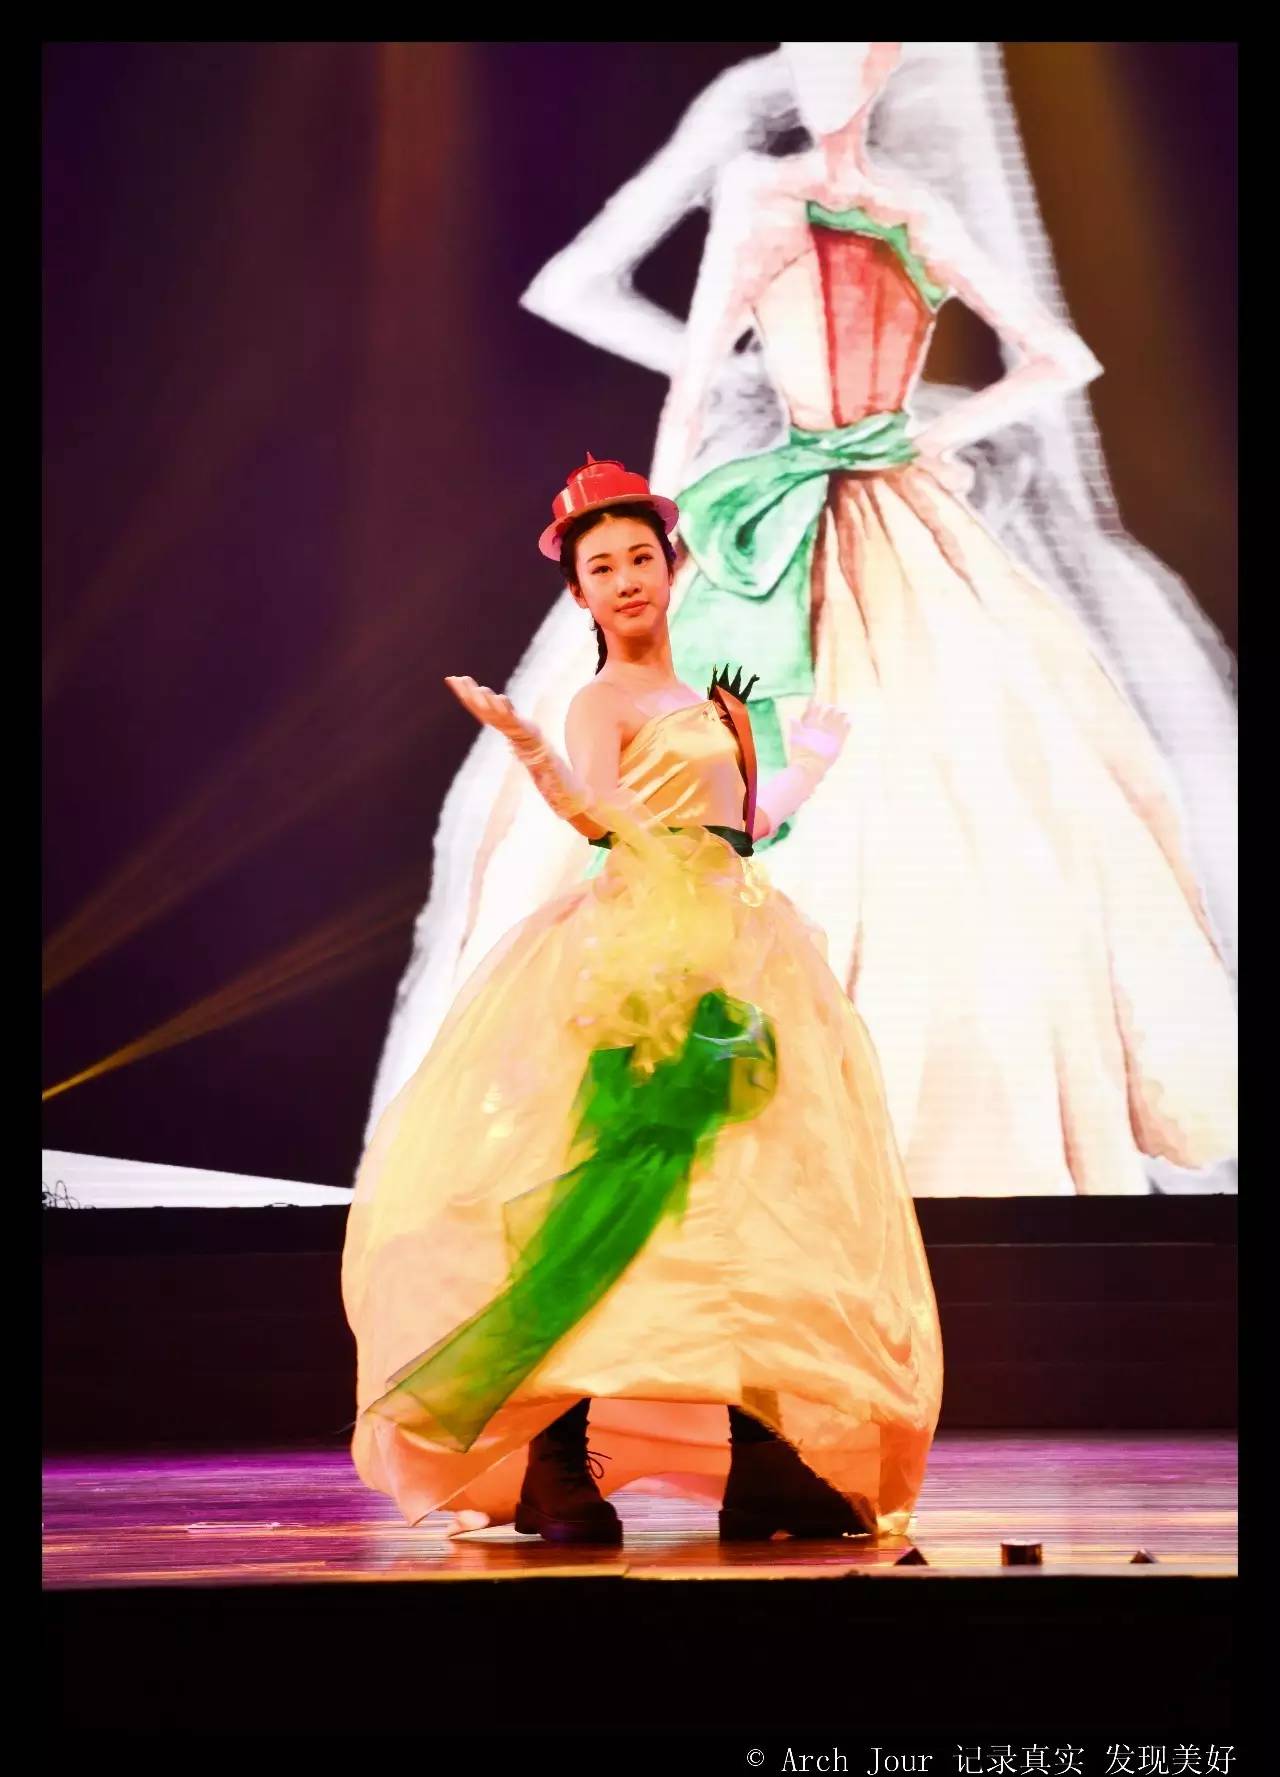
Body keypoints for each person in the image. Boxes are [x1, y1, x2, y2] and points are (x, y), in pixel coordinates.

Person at [365, 42, 1236, 1198]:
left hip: (878, 511)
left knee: (956, 783)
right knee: (718, 760)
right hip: (790, 514)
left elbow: (1056, 358)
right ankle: (708, 1100)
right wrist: (664, 533)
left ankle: (924, 1132)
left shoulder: (887, 206)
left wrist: (922, 435)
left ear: (877, 75)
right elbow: (683, 386)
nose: (831, 74)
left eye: (853, 58)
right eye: (819, 56)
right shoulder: (783, 197)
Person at [341, 455, 942, 1543]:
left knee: (740, 1197)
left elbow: (743, 827)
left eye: (637, 558)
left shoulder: (709, 699)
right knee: (619, 1191)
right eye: (600, 567)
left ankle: (759, 1455)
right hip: (642, 954)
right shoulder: (600, 699)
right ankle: (553, 1451)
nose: (624, 580)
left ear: (671, 566)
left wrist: (807, 762)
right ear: (579, 593)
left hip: (736, 945)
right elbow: (600, 816)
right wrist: (531, 749)